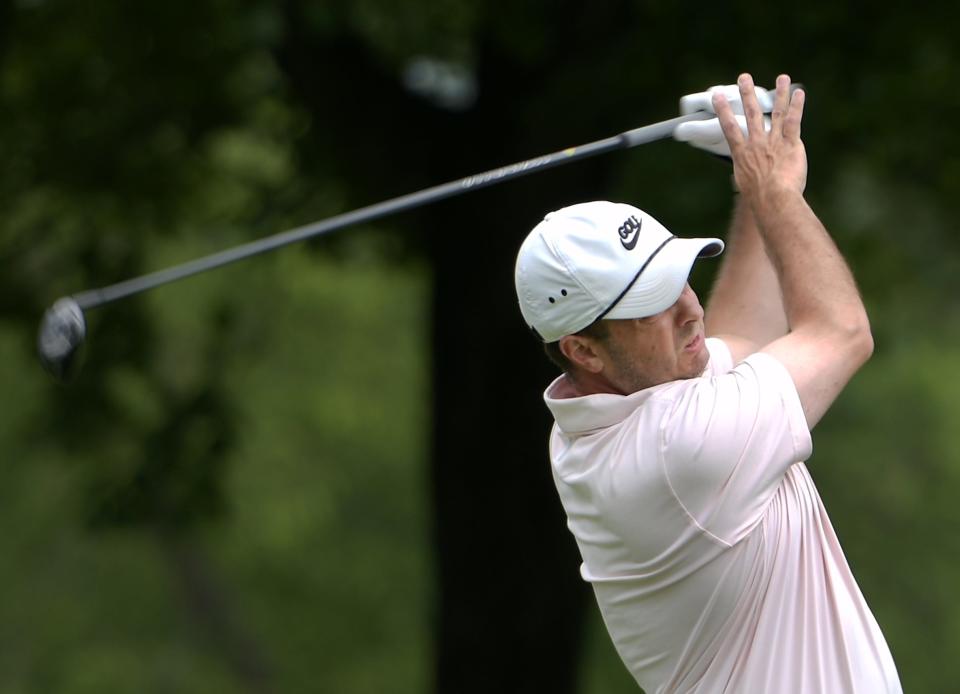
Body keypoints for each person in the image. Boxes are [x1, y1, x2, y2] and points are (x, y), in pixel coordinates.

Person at [513, 74, 902, 693]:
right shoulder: (678, 450)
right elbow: (842, 332)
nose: (689, 311)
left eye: (678, 280)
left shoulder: (618, 412)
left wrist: (749, 177)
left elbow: (742, 339)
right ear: (582, 348)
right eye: (650, 305)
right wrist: (777, 195)